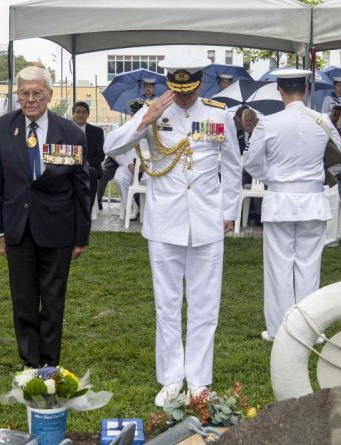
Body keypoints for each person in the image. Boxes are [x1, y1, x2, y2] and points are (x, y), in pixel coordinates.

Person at [104, 55, 240, 406]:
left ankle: (198, 379)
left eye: (188, 90)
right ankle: (170, 378)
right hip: (165, 222)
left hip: (207, 222)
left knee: (205, 305)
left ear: (199, 83)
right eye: (177, 90)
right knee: (167, 304)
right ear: (169, 84)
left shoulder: (218, 114)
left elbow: (232, 168)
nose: (182, 97)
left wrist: (228, 212)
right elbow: (111, 147)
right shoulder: (153, 111)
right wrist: (143, 121)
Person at [0, 66, 91, 369]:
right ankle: (30, 363)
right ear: (17, 95)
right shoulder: (5, 126)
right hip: (18, 229)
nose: (30, 99)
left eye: (37, 92)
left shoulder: (71, 132)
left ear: (49, 94)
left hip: (57, 229)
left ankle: (49, 364)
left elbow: (82, 187)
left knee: (52, 301)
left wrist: (80, 237)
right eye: (24, 93)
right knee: (23, 301)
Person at [242, 69, 341, 342]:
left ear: (280, 90)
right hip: (312, 200)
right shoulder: (321, 120)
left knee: (278, 267)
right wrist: (317, 177)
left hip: (280, 201)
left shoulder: (268, 122)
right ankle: (310, 327)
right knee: (309, 265)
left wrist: (272, 178)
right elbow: (338, 157)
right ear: (306, 90)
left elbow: (251, 163)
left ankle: (280, 329)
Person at [72, 101, 105, 212]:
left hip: (89, 166)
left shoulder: (97, 132)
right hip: (68, 165)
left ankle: (87, 209)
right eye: (78, 112)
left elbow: (100, 154)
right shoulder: (64, 129)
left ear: (88, 114)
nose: (81, 115)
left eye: (84, 112)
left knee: (91, 172)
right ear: (73, 114)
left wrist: (86, 163)